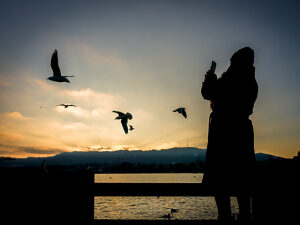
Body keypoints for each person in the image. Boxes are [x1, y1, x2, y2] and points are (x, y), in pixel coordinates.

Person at [201, 47, 258, 222]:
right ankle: (245, 217)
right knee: (243, 182)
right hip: (242, 133)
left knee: (220, 182)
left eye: (233, 62)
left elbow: (207, 93)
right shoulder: (251, 83)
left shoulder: (228, 81)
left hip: (222, 133)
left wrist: (209, 78)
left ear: (235, 63)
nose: (231, 65)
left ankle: (224, 217)